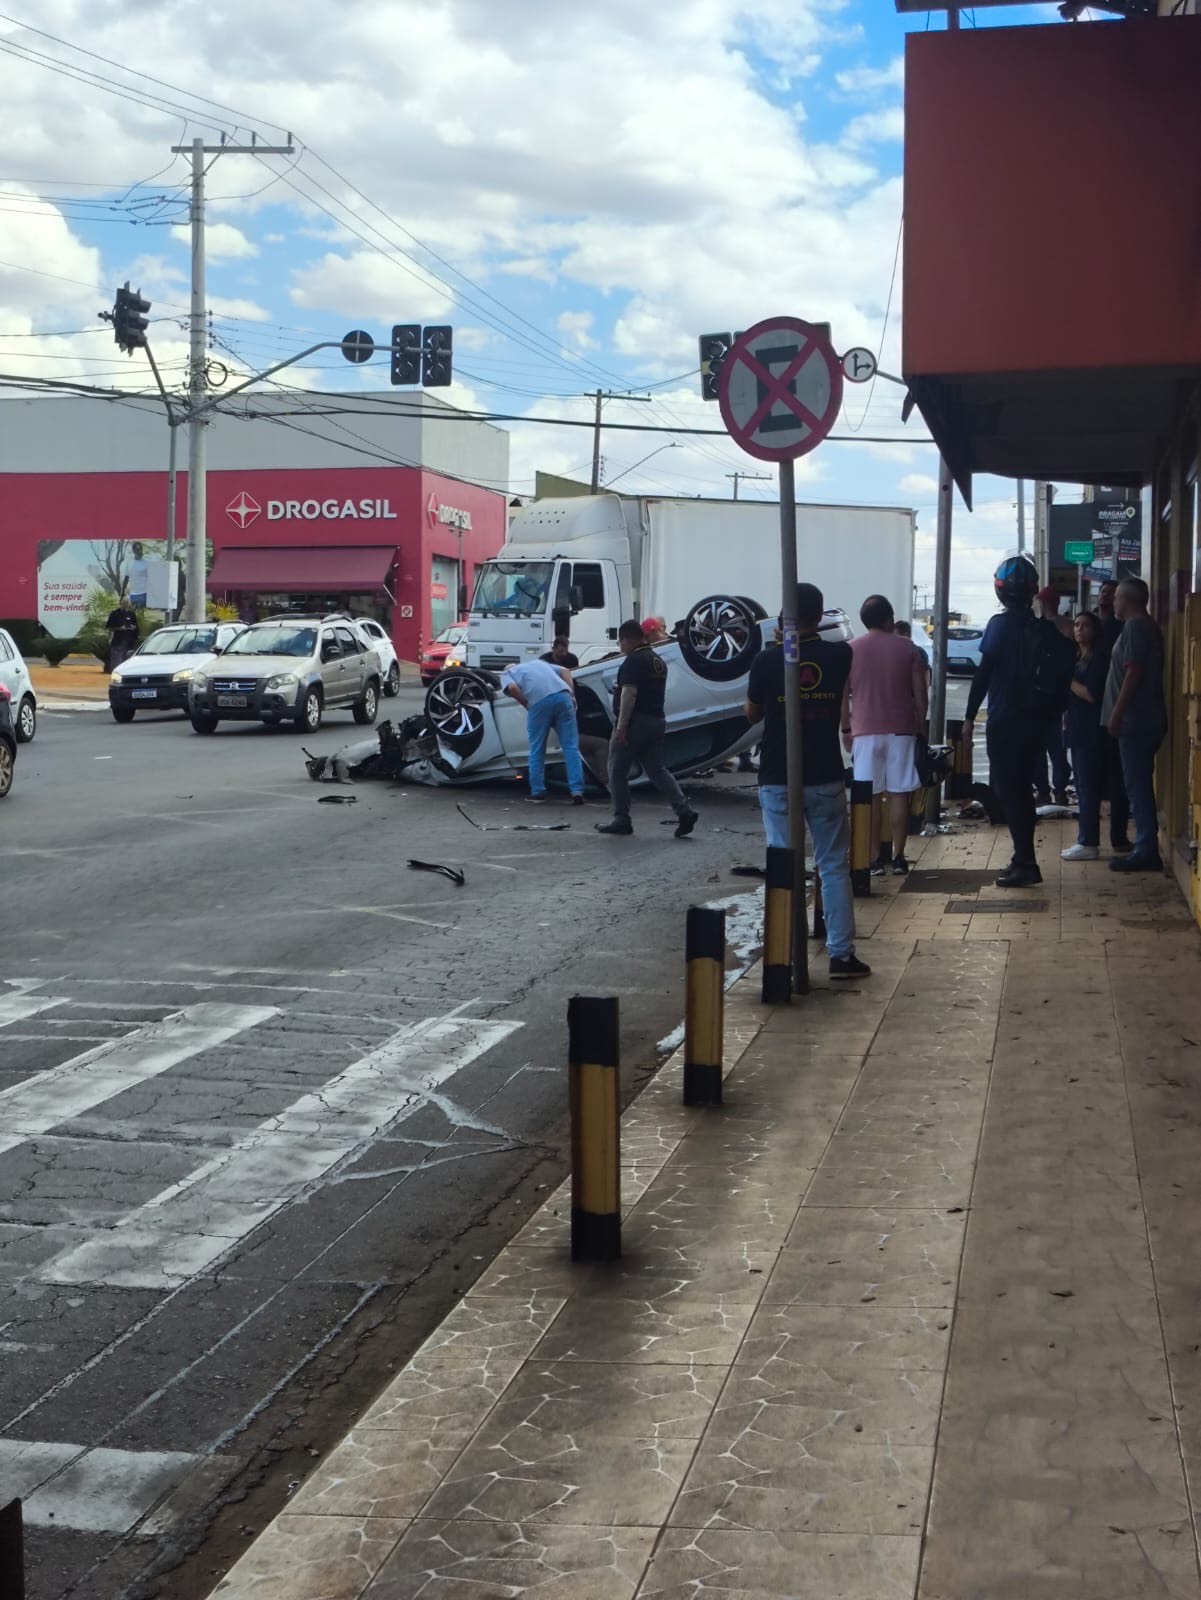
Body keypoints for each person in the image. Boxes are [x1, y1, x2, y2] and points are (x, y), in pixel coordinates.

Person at [745, 583, 869, 981]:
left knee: (784, 866)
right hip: (824, 774)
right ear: (820, 616)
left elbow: (751, 714)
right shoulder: (839, 655)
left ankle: (784, 956)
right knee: (833, 866)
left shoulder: (767, 661)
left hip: (777, 776)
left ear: (784, 617)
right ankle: (841, 955)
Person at [963, 554, 1069, 888]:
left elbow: (983, 675)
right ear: (1032, 591)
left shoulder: (999, 625)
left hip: (1006, 721)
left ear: (1000, 591)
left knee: (1010, 791)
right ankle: (1022, 857)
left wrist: (969, 717)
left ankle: (1025, 860)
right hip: (1036, 722)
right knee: (1022, 788)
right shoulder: (1042, 629)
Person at [844, 595, 928, 878]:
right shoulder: (908, 649)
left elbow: (843, 697)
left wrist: (845, 728)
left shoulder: (851, 650)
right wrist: (920, 725)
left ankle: (873, 859)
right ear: (889, 620)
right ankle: (898, 857)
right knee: (899, 794)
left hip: (865, 732)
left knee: (869, 797)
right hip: (901, 730)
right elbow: (920, 694)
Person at [595, 619, 698, 838]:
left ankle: (621, 819)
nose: (620, 648)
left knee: (616, 770)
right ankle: (684, 810)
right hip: (656, 720)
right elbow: (642, 689)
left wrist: (622, 727)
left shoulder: (633, 661)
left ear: (627, 639)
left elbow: (630, 694)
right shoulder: (656, 660)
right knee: (657, 770)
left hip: (636, 722)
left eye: (620, 643)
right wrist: (621, 689)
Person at [1103, 576, 1166, 872]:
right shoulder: (1143, 626)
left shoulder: (1136, 626)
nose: (1113, 603)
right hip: (1143, 720)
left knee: (1137, 786)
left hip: (1136, 722)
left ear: (1127, 600)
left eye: (1116, 598)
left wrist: (1116, 713)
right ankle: (1145, 845)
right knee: (1138, 784)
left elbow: (1133, 672)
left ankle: (1145, 849)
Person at [500, 657, 585, 805]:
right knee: (571, 747)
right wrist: (572, 694)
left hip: (539, 702)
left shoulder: (507, 674)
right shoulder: (537, 663)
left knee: (537, 748)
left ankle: (538, 791)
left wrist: (526, 703)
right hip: (564, 696)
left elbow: (513, 689)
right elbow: (565, 671)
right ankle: (577, 791)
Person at [1060, 612, 1110, 861]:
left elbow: (1091, 694)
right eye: (1077, 625)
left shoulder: (1099, 659)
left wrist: (1066, 680)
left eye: (1086, 625)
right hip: (1077, 729)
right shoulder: (1076, 657)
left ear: (1095, 630)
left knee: (1088, 787)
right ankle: (1085, 838)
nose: (1079, 630)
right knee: (1080, 785)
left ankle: (1089, 841)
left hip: (1091, 731)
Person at [1035, 588, 1073, 811]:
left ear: (1042, 602)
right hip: (1063, 696)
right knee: (1057, 747)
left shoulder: (1038, 628)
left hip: (1042, 696)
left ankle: (1043, 791)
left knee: (1040, 747)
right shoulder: (1070, 627)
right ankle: (1059, 791)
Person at [105, 598, 139, 672]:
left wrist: (133, 628)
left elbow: (136, 628)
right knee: (116, 665)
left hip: (129, 643)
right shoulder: (115, 614)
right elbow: (109, 627)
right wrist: (119, 628)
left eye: (127, 603)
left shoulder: (131, 614)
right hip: (117, 642)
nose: (126, 605)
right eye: (124, 603)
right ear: (121, 603)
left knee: (126, 665)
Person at [1097, 580, 1123, 652]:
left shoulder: (1121, 623)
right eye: (1103, 591)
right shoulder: (1090, 619)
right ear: (1098, 594)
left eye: (1110, 593)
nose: (1105, 594)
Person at [126, 541, 149, 609]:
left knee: (141, 615)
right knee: (132, 615)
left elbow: (151, 579)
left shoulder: (146, 563)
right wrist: (122, 594)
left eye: (140, 549)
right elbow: (126, 578)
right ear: (133, 551)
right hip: (133, 594)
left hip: (143, 594)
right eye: (137, 549)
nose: (139, 551)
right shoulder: (129, 563)